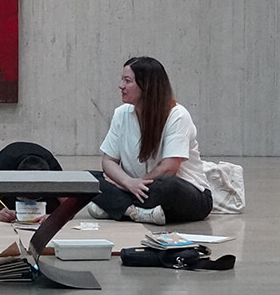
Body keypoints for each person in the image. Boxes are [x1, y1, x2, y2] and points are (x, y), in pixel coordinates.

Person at [86, 56, 215, 225]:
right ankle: (135, 212)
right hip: (138, 189)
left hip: (184, 194)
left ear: (146, 85)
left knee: (168, 186)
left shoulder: (177, 115)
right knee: (88, 179)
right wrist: (128, 182)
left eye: (127, 81)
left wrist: (128, 187)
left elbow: (169, 168)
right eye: (122, 80)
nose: (121, 86)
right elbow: (109, 160)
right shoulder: (121, 113)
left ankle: (117, 207)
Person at [0, 141, 64, 223]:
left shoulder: (54, 174)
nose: (29, 201)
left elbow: (69, 208)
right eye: (25, 196)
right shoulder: (3, 173)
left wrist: (54, 218)